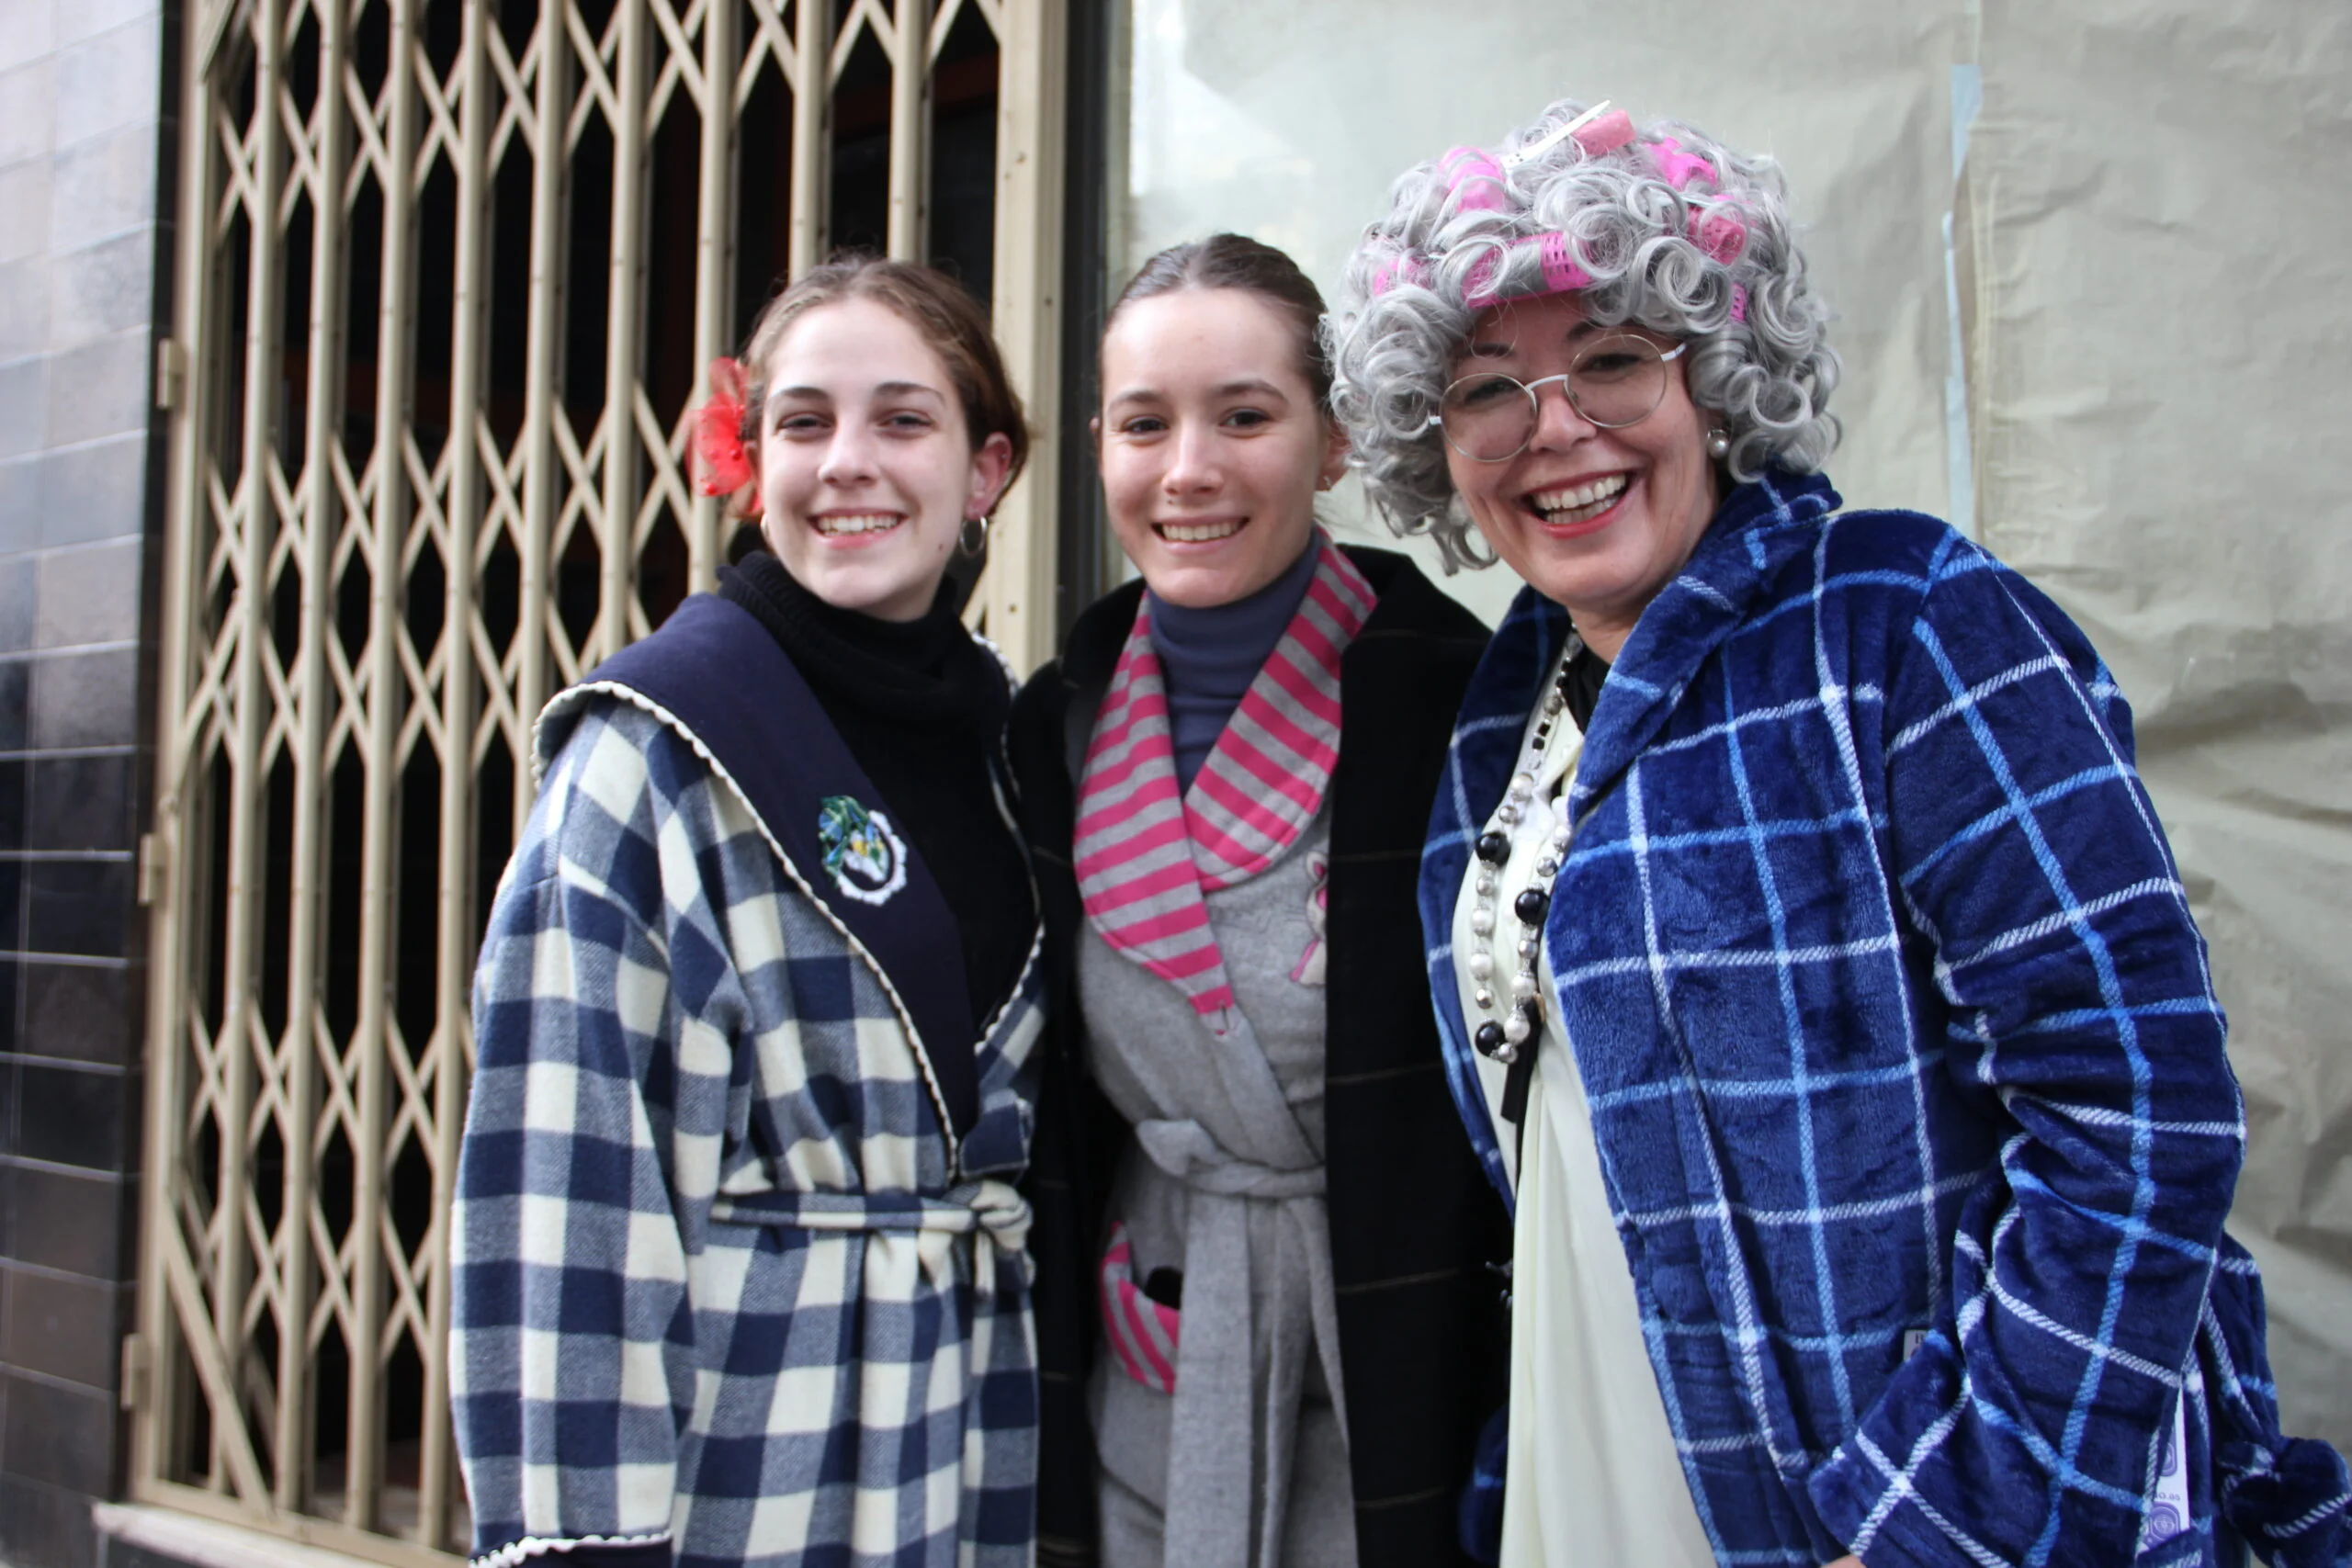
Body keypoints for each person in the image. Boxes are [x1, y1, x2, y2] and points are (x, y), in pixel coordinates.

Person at [1328, 101, 2351, 1568]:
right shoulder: (1505, 709)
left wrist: (1953, 1519)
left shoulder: (1907, 617)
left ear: (1721, 376)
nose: (1555, 427)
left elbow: (2138, 1104)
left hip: (1879, 1505)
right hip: (1603, 1459)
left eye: (1615, 358)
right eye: (1490, 388)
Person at [451, 257, 1048, 1568]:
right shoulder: (650, 755)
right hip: (747, 1451)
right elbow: (564, 1192)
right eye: (801, 422)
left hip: (960, 1443)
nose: (848, 461)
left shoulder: (1014, 743)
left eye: (902, 419)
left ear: (985, 468)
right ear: (750, 457)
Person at [1012, 234, 1512, 1568]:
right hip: (1155, 1352)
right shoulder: (1049, 727)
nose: (1189, 470)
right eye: (1143, 423)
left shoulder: (1462, 704)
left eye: (1245, 415)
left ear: (1335, 439)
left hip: (1409, 1368)